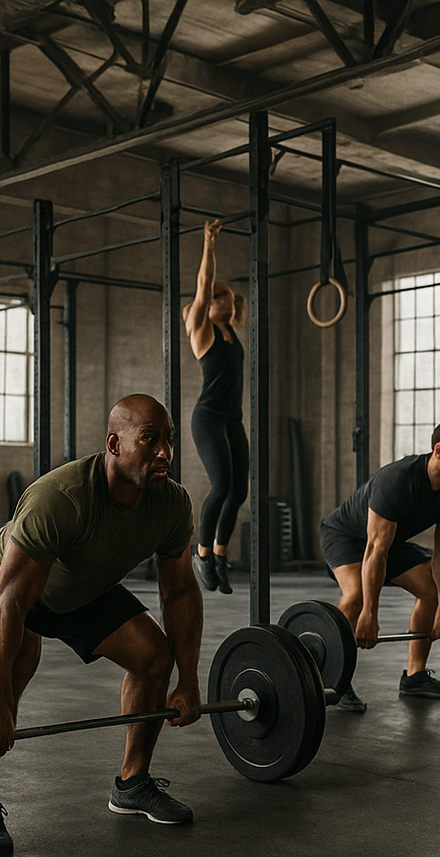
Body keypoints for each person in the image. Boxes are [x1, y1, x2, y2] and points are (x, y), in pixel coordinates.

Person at [0, 394, 203, 854]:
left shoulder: (170, 504)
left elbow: (181, 593)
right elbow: (9, 603)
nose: (165, 453)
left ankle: (132, 784)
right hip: (2, 581)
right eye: (150, 440)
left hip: (81, 587)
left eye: (169, 441)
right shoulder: (61, 497)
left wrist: (187, 680)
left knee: (155, 657)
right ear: (114, 443)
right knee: (15, 664)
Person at [319, 418, 440, 711]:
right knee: (355, 595)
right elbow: (375, 550)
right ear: (439, 450)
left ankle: (415, 677)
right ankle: (331, 676)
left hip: (388, 542)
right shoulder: (399, 479)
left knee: (429, 592)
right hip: (346, 536)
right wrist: (370, 613)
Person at [182, 218, 248, 595]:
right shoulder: (201, 329)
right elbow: (203, 287)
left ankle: (221, 554)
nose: (225, 298)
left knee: (239, 490)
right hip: (207, 418)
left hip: (232, 419)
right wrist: (209, 244)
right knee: (221, 485)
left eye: (226, 296)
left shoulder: (230, 331)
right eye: (220, 296)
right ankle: (202, 554)